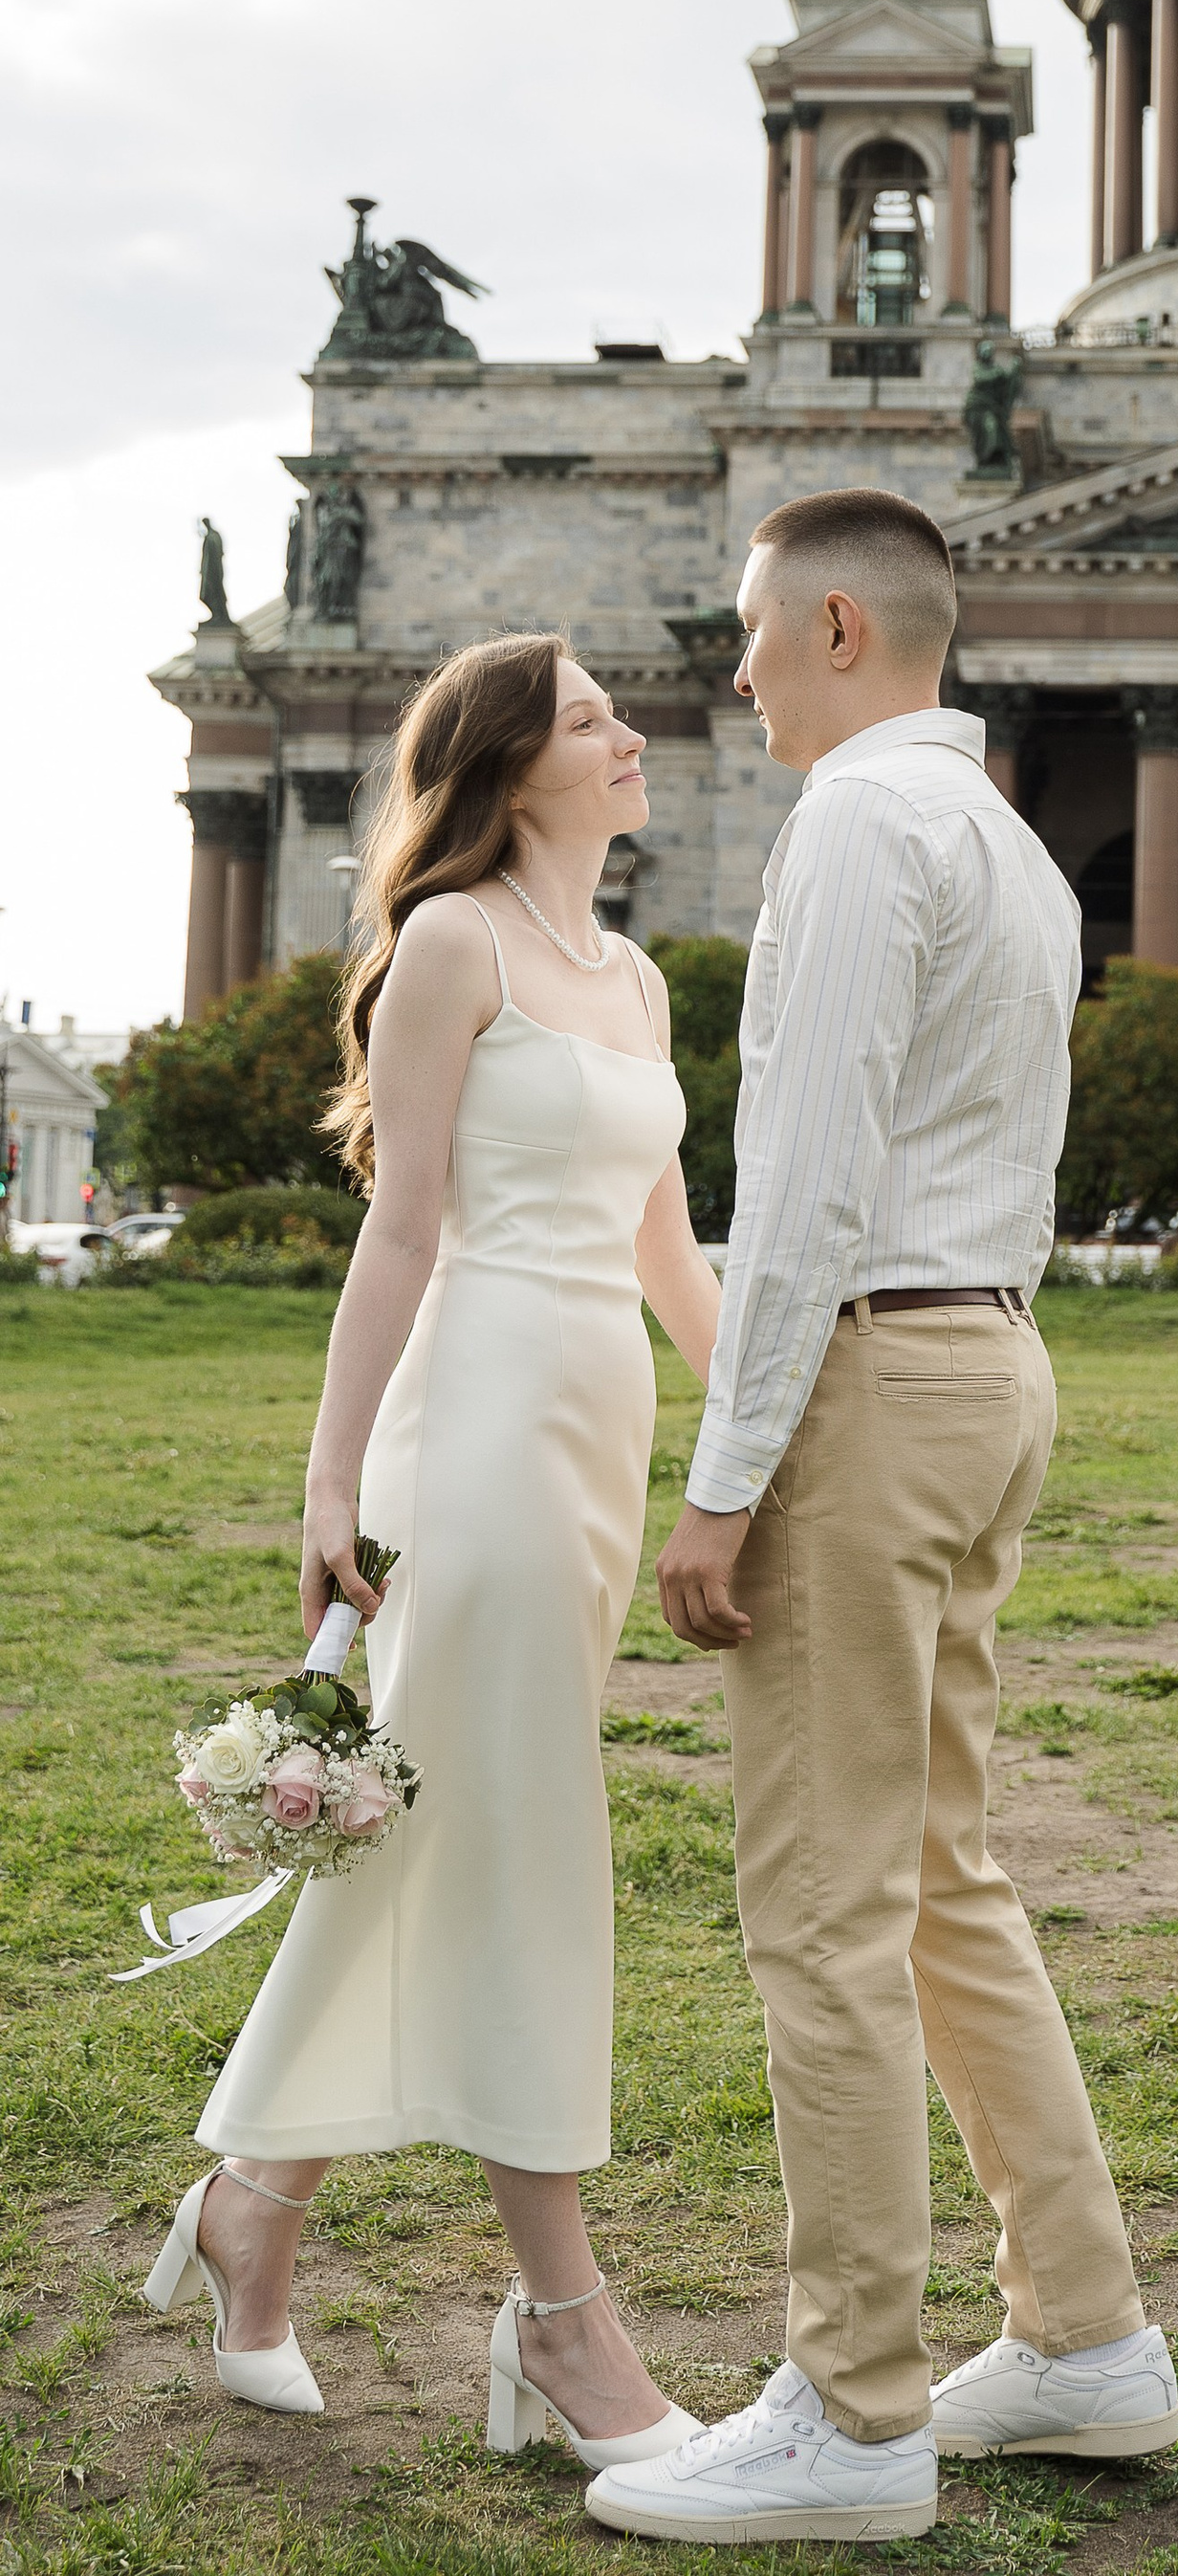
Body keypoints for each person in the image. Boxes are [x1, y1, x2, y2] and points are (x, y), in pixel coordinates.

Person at [584, 489, 1177, 2549]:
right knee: (942, 1880)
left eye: (750, 632)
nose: (730, 668)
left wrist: (721, 1483)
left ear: (839, 625)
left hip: (867, 1367)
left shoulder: (850, 825)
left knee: (822, 1917)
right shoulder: (1009, 847)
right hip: (989, 1358)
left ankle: (851, 2411)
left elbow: (810, 1173)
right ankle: (1081, 2333)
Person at [143, 636, 718, 2471]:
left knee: (448, 1827)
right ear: (505, 766)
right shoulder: (455, 939)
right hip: (463, 1429)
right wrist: (330, 1487)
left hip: (595, 1434)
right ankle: (563, 2322)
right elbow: (398, 1238)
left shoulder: (629, 975)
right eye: (590, 719)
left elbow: (673, 1260)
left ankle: (256, 2202)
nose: (631, 735)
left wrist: (782, 1427)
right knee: (526, 1828)